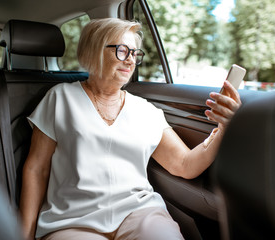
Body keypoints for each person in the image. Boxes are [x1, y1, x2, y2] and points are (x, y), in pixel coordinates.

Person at [19, 18, 241, 240]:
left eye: (135, 54)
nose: (130, 61)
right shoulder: (60, 98)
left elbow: (184, 165)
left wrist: (223, 128)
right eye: (122, 51)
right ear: (94, 50)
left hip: (139, 213)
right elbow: (36, 170)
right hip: (73, 221)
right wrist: (24, 235)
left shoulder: (145, 110)